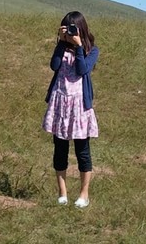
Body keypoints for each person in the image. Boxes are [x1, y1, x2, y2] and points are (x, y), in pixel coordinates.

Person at [42, 11, 99, 208]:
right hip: (60, 102)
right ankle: (62, 193)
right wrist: (61, 42)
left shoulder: (92, 50)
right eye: (67, 28)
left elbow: (82, 70)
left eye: (73, 28)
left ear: (81, 29)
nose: (71, 32)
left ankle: (84, 194)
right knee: (60, 150)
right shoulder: (61, 48)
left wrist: (79, 47)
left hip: (79, 106)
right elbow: (54, 65)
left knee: (82, 151)